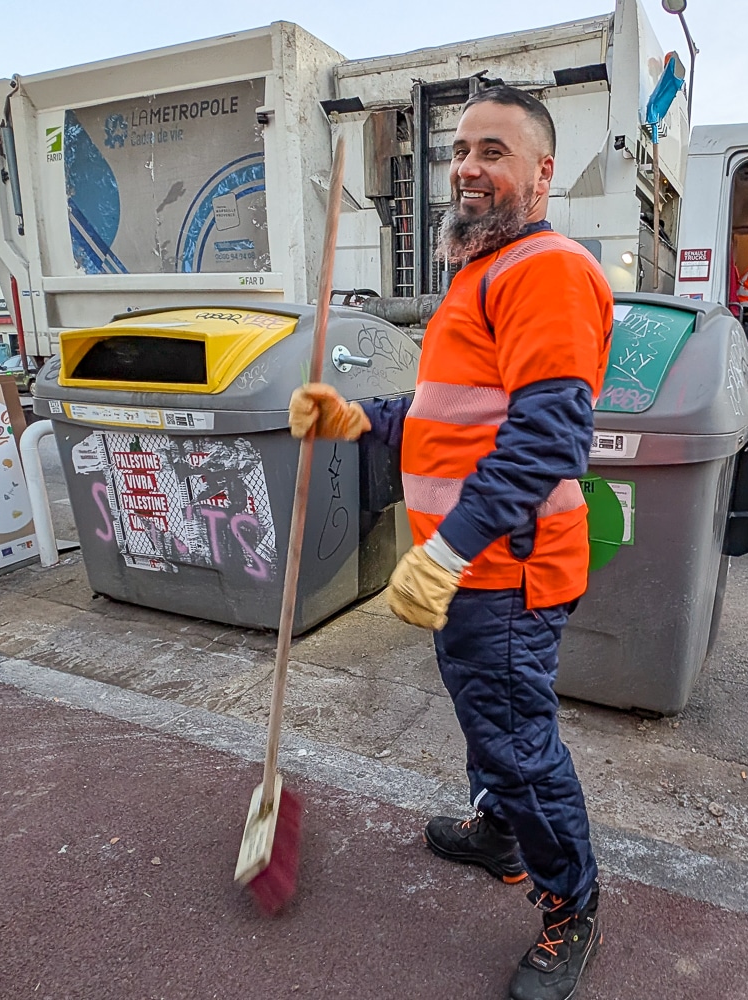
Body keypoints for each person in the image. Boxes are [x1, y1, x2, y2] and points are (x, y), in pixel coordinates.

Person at [289, 85, 612, 1000]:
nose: (469, 165)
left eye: (495, 151)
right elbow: (447, 419)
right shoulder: (478, 272)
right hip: (472, 569)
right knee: (486, 714)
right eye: (462, 148)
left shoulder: (543, 270)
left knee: (516, 739)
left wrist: (448, 550)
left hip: (503, 568)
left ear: (542, 173)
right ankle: (501, 831)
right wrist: (357, 416)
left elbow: (547, 438)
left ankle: (571, 907)